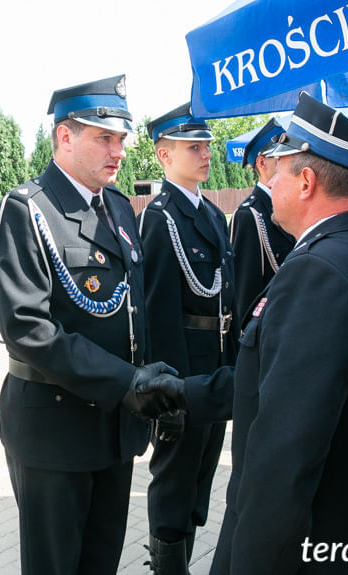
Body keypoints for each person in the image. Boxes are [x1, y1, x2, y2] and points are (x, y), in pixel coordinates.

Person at [143, 92, 348, 574]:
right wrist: (184, 393)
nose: (269, 181)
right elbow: (278, 377)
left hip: (312, 544)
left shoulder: (318, 274)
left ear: (305, 181)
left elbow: (284, 457)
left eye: (279, 170)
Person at [0, 74, 183, 575]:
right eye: (104, 138)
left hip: (114, 426)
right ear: (65, 137)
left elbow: (134, 311)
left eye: (121, 139)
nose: (117, 151)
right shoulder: (28, 209)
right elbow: (29, 329)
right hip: (55, 426)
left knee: (101, 563)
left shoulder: (117, 206)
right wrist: (128, 383)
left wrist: (153, 390)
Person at [137, 103, 238, 573]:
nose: (204, 154)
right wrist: (170, 396)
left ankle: (183, 551)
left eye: (206, 146)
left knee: (200, 478)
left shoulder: (213, 217)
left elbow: (228, 302)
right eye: (193, 147)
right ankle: (168, 564)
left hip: (215, 366)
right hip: (184, 370)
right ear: (163, 156)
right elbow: (158, 312)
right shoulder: (161, 219)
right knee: (176, 479)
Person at [229, 117, 295, 314]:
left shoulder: (291, 207)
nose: (289, 162)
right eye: (281, 158)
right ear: (261, 162)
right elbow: (244, 294)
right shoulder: (249, 215)